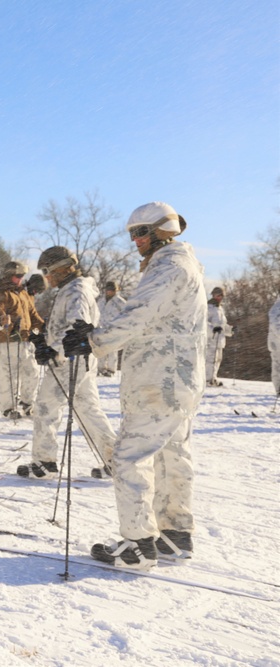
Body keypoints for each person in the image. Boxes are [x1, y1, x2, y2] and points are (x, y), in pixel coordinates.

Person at [62, 201, 205, 569]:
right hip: (179, 379)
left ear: (163, 231)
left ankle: (139, 544)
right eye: (132, 234)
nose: (136, 241)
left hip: (160, 378)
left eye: (141, 233)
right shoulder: (184, 264)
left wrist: (93, 341)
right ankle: (174, 534)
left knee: (129, 456)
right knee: (172, 454)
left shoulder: (169, 267)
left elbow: (139, 314)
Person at [21, 247, 116, 480]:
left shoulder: (76, 291)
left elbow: (77, 331)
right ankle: (117, 461)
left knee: (46, 406)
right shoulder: (69, 290)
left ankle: (44, 462)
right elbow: (64, 329)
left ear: (63, 268)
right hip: (77, 360)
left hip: (71, 361)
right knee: (88, 410)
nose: (46, 277)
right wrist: (44, 340)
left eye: (47, 271)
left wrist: (55, 351)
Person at [0, 260, 45, 419]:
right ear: (9, 276)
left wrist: (43, 328)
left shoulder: (23, 293)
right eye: (17, 276)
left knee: (32, 372)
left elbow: (33, 315)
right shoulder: (0, 293)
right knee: (9, 377)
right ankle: (8, 408)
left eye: (22, 276)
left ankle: (27, 403)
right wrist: (8, 325)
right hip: (7, 341)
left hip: (25, 340)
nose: (20, 279)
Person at [96, 281, 127, 376]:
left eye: (112, 290)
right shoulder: (101, 301)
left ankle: (111, 369)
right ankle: (100, 368)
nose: (109, 292)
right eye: (108, 290)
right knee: (100, 349)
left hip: (113, 329)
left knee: (112, 350)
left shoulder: (120, 302)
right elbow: (96, 312)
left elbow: (126, 314)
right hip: (101, 328)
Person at [205, 287, 233, 387]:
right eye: (217, 295)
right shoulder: (208, 307)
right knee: (210, 360)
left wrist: (230, 330)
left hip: (220, 340)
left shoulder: (220, 309)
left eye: (221, 295)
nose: (219, 297)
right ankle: (208, 380)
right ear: (213, 295)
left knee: (217, 360)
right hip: (211, 340)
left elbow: (222, 325)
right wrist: (212, 329)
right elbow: (203, 323)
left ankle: (213, 378)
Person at [270, 296, 280, 397]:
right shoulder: (276, 307)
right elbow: (275, 324)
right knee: (277, 366)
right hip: (277, 343)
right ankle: (278, 389)